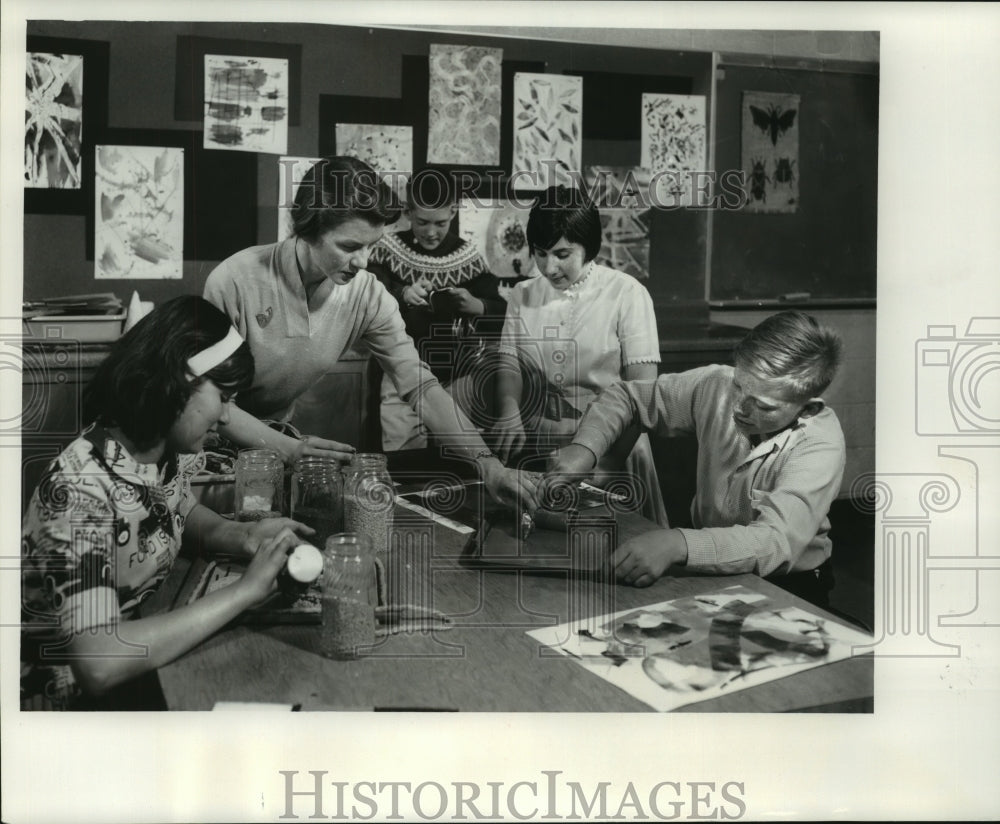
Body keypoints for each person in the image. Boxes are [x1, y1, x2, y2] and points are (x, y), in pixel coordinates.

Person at [20, 297, 312, 710]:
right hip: (64, 706)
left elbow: (177, 510)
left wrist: (243, 536)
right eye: (224, 396)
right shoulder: (79, 490)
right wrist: (245, 592)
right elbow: (100, 662)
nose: (228, 416)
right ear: (176, 382)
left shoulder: (157, 451)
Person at [203, 156, 537, 508]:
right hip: (210, 447)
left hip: (279, 442)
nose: (363, 261)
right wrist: (291, 449)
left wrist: (489, 465)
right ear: (308, 227)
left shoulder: (366, 294)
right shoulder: (236, 280)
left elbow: (420, 386)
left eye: (371, 246)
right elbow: (210, 402)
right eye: (349, 247)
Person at [541, 310, 845, 607]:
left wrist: (677, 544)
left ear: (808, 409)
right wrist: (585, 448)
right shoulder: (717, 383)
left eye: (763, 407)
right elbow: (628, 398)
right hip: (709, 564)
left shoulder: (819, 445)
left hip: (790, 584)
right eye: (739, 385)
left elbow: (773, 543)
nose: (739, 407)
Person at [493, 185, 668, 526]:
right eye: (540, 253)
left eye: (562, 254)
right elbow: (509, 362)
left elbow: (643, 395)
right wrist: (509, 409)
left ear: (588, 245)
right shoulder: (522, 294)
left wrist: (604, 465)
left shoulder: (627, 293)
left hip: (614, 451)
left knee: (616, 551)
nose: (549, 266)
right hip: (542, 451)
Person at [366, 170, 506, 450]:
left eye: (440, 223)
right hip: (398, 375)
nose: (431, 232)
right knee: (403, 451)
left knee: (456, 454)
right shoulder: (386, 248)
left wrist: (476, 305)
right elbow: (367, 300)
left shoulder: (468, 256)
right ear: (407, 211)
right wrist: (402, 294)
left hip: (458, 376)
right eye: (422, 222)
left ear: (454, 211)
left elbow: (501, 312)